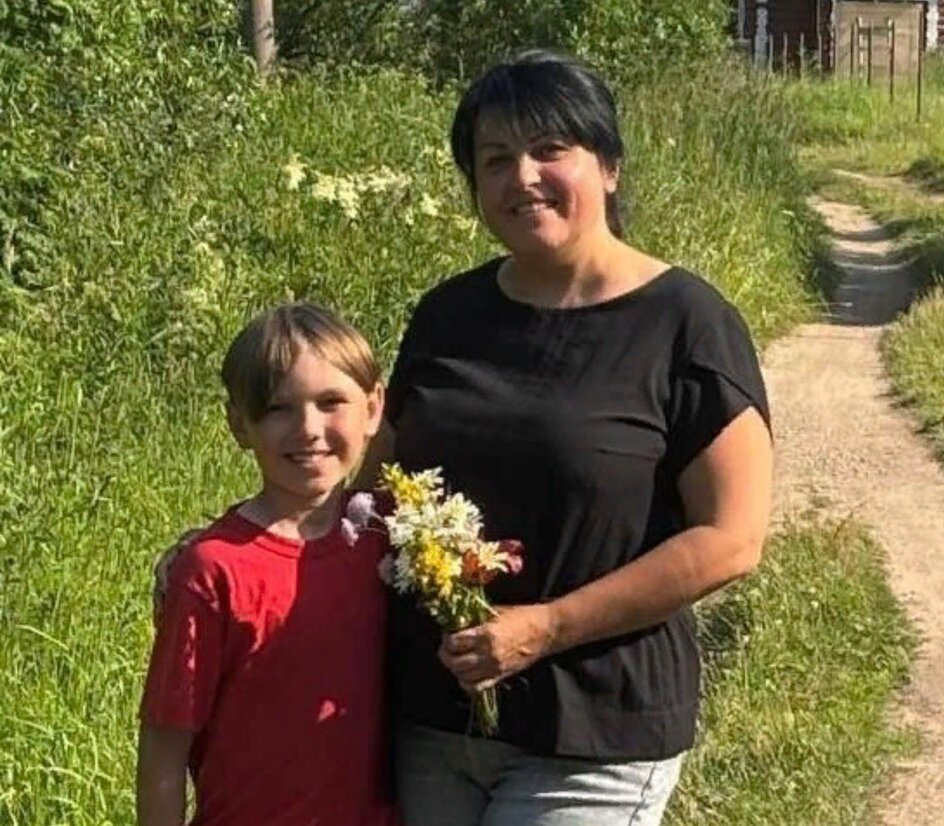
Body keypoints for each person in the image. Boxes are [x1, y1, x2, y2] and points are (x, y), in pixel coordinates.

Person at [362, 49, 774, 826]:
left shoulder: (687, 324)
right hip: (435, 726)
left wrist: (546, 628)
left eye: (550, 149)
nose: (522, 177)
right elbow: (372, 489)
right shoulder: (448, 316)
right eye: (495, 159)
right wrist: (237, 546)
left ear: (609, 166)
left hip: (596, 731)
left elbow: (731, 539)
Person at [137, 303, 395, 826]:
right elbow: (165, 747)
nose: (308, 429)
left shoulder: (394, 542)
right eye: (278, 409)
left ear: (373, 408)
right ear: (239, 423)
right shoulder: (214, 568)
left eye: (331, 402)